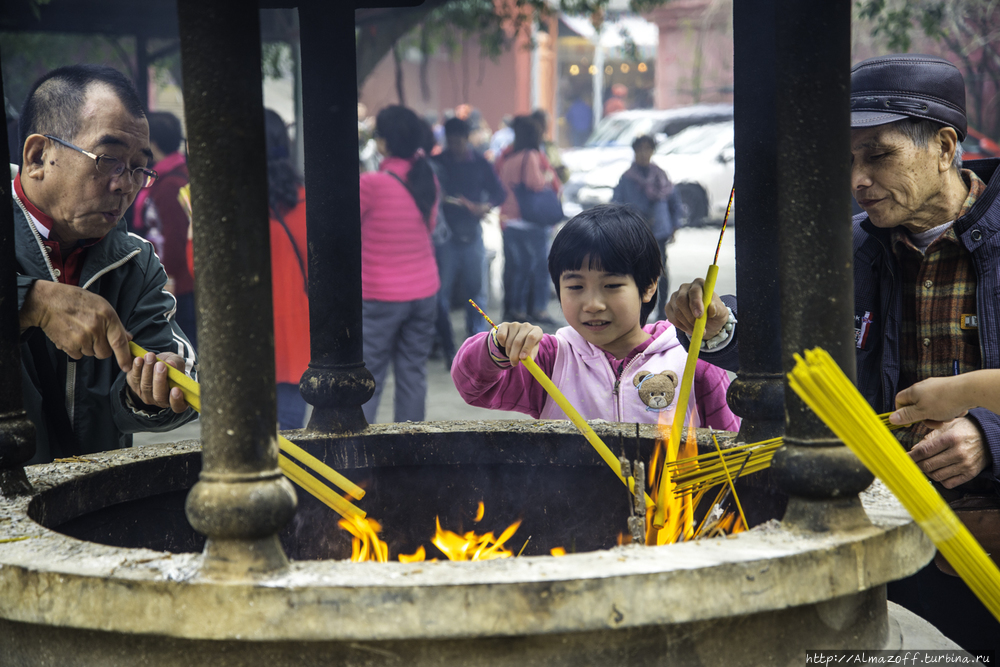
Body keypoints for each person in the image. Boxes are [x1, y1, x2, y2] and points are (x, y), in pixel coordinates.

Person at [665, 53, 1000, 651]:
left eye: (879, 154)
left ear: (945, 147)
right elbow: (788, 343)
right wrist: (718, 326)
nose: (857, 180)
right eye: (847, 160)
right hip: (890, 540)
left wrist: (989, 438)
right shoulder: (851, 248)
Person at [13, 65, 197, 463]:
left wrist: (147, 393)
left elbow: (178, 368)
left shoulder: (135, 261)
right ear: (38, 156)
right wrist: (33, 302)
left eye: (138, 168)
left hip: (87, 495)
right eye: (109, 159)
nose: (125, 184)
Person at [451, 205, 738, 430]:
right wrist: (498, 347)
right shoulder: (549, 359)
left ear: (649, 285)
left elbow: (730, 445)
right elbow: (472, 387)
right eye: (575, 287)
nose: (592, 304)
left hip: (675, 505)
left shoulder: (693, 360)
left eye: (611, 286)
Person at [360, 105, 440, 423]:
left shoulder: (370, 185)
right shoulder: (426, 179)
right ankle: (410, 451)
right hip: (424, 292)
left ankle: (358, 456)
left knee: (368, 377)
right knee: (412, 374)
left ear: (383, 142)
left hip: (380, 296)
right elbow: (430, 228)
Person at [431, 117, 507, 367]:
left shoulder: (480, 163)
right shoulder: (438, 163)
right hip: (446, 237)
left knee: (476, 292)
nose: (455, 146)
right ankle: (446, 345)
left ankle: (476, 344)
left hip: (472, 232)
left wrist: (483, 206)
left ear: (466, 139)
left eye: (459, 142)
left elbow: (499, 193)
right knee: (441, 294)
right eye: (450, 142)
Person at [264, 108, 311, 431]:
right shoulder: (307, 201)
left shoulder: (230, 209)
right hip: (298, 336)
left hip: (249, 342)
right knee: (292, 435)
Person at [133, 111, 196, 349]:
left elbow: (175, 239)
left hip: (175, 284)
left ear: (153, 142)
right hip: (174, 280)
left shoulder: (170, 184)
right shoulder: (170, 175)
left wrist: (164, 279)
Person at [497, 115, 561, 325]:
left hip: (511, 220)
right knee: (541, 268)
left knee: (520, 269)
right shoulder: (531, 155)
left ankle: (517, 310)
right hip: (530, 222)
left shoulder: (509, 158)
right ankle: (539, 310)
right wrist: (549, 178)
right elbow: (535, 183)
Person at [612, 135, 680, 321]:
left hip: (658, 232)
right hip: (635, 233)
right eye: (640, 149)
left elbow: (674, 202)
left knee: (661, 272)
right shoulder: (626, 178)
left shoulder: (660, 175)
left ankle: (661, 313)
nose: (643, 153)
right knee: (637, 273)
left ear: (652, 151)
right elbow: (616, 204)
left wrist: (675, 225)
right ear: (635, 152)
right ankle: (639, 312)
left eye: (647, 149)